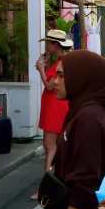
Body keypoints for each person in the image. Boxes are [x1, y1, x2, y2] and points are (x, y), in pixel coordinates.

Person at [38, 50, 105, 209]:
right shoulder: (81, 110)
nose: (54, 81)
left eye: (62, 76)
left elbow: (86, 178)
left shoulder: (89, 118)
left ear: (82, 78)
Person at [36, 29, 73, 193]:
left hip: (54, 107)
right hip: (59, 106)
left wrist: (41, 69)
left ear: (55, 45)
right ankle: (55, 182)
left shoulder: (59, 62)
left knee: (49, 146)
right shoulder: (64, 59)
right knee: (56, 146)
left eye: (48, 43)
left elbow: (50, 86)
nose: (46, 47)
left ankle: (47, 188)